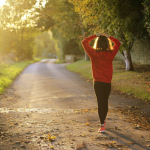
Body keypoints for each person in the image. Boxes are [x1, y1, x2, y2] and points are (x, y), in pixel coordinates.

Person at [82, 33, 121, 132]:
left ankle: (102, 125)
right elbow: (118, 43)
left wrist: (94, 35)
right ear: (107, 44)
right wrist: (109, 36)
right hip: (107, 82)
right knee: (105, 101)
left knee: (100, 102)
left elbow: (84, 42)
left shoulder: (93, 53)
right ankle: (103, 120)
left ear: (97, 43)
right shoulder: (111, 54)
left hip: (98, 82)